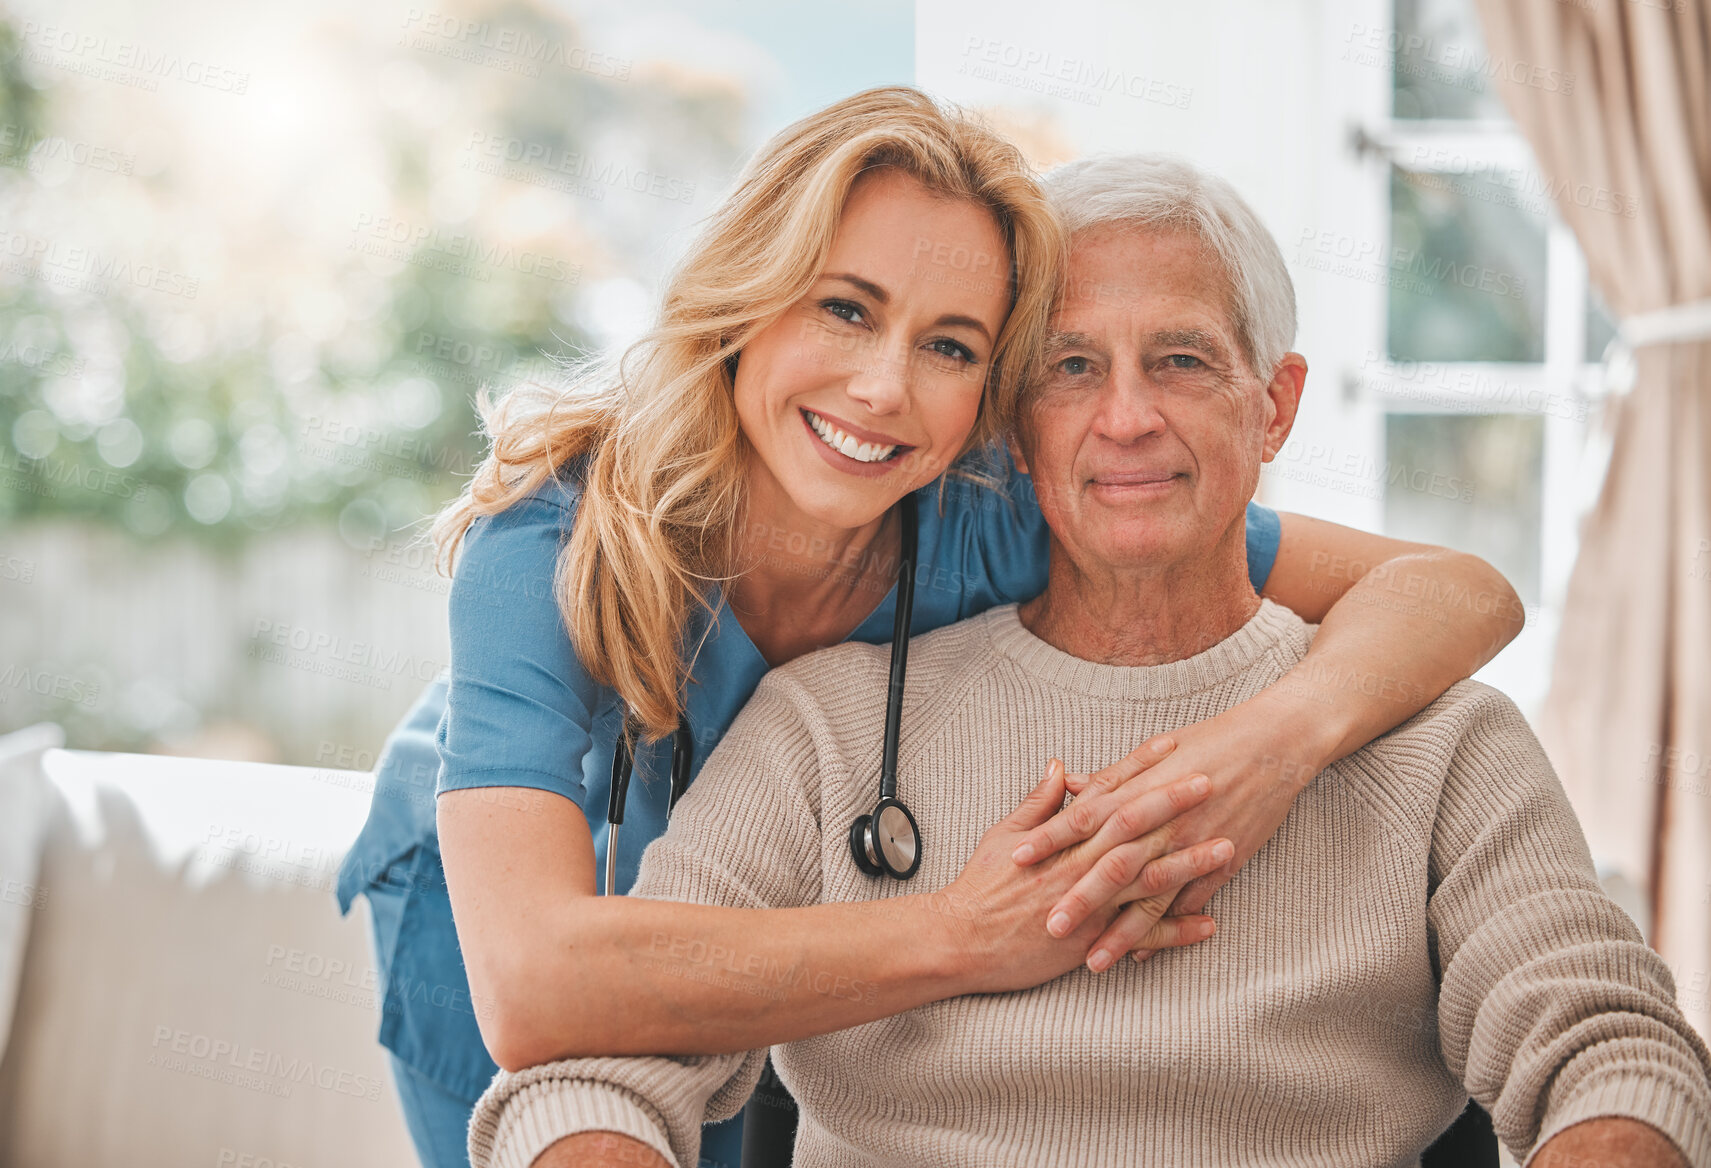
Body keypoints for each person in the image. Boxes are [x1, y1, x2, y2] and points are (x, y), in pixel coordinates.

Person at [334, 89, 1528, 1168]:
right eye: (845, 310)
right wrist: (965, 934)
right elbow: (535, 982)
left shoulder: (994, 515)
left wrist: (1270, 745)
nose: (883, 389)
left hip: (775, 923)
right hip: (493, 905)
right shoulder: (548, 546)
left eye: (950, 346)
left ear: (991, 398)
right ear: (744, 303)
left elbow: (1457, 588)